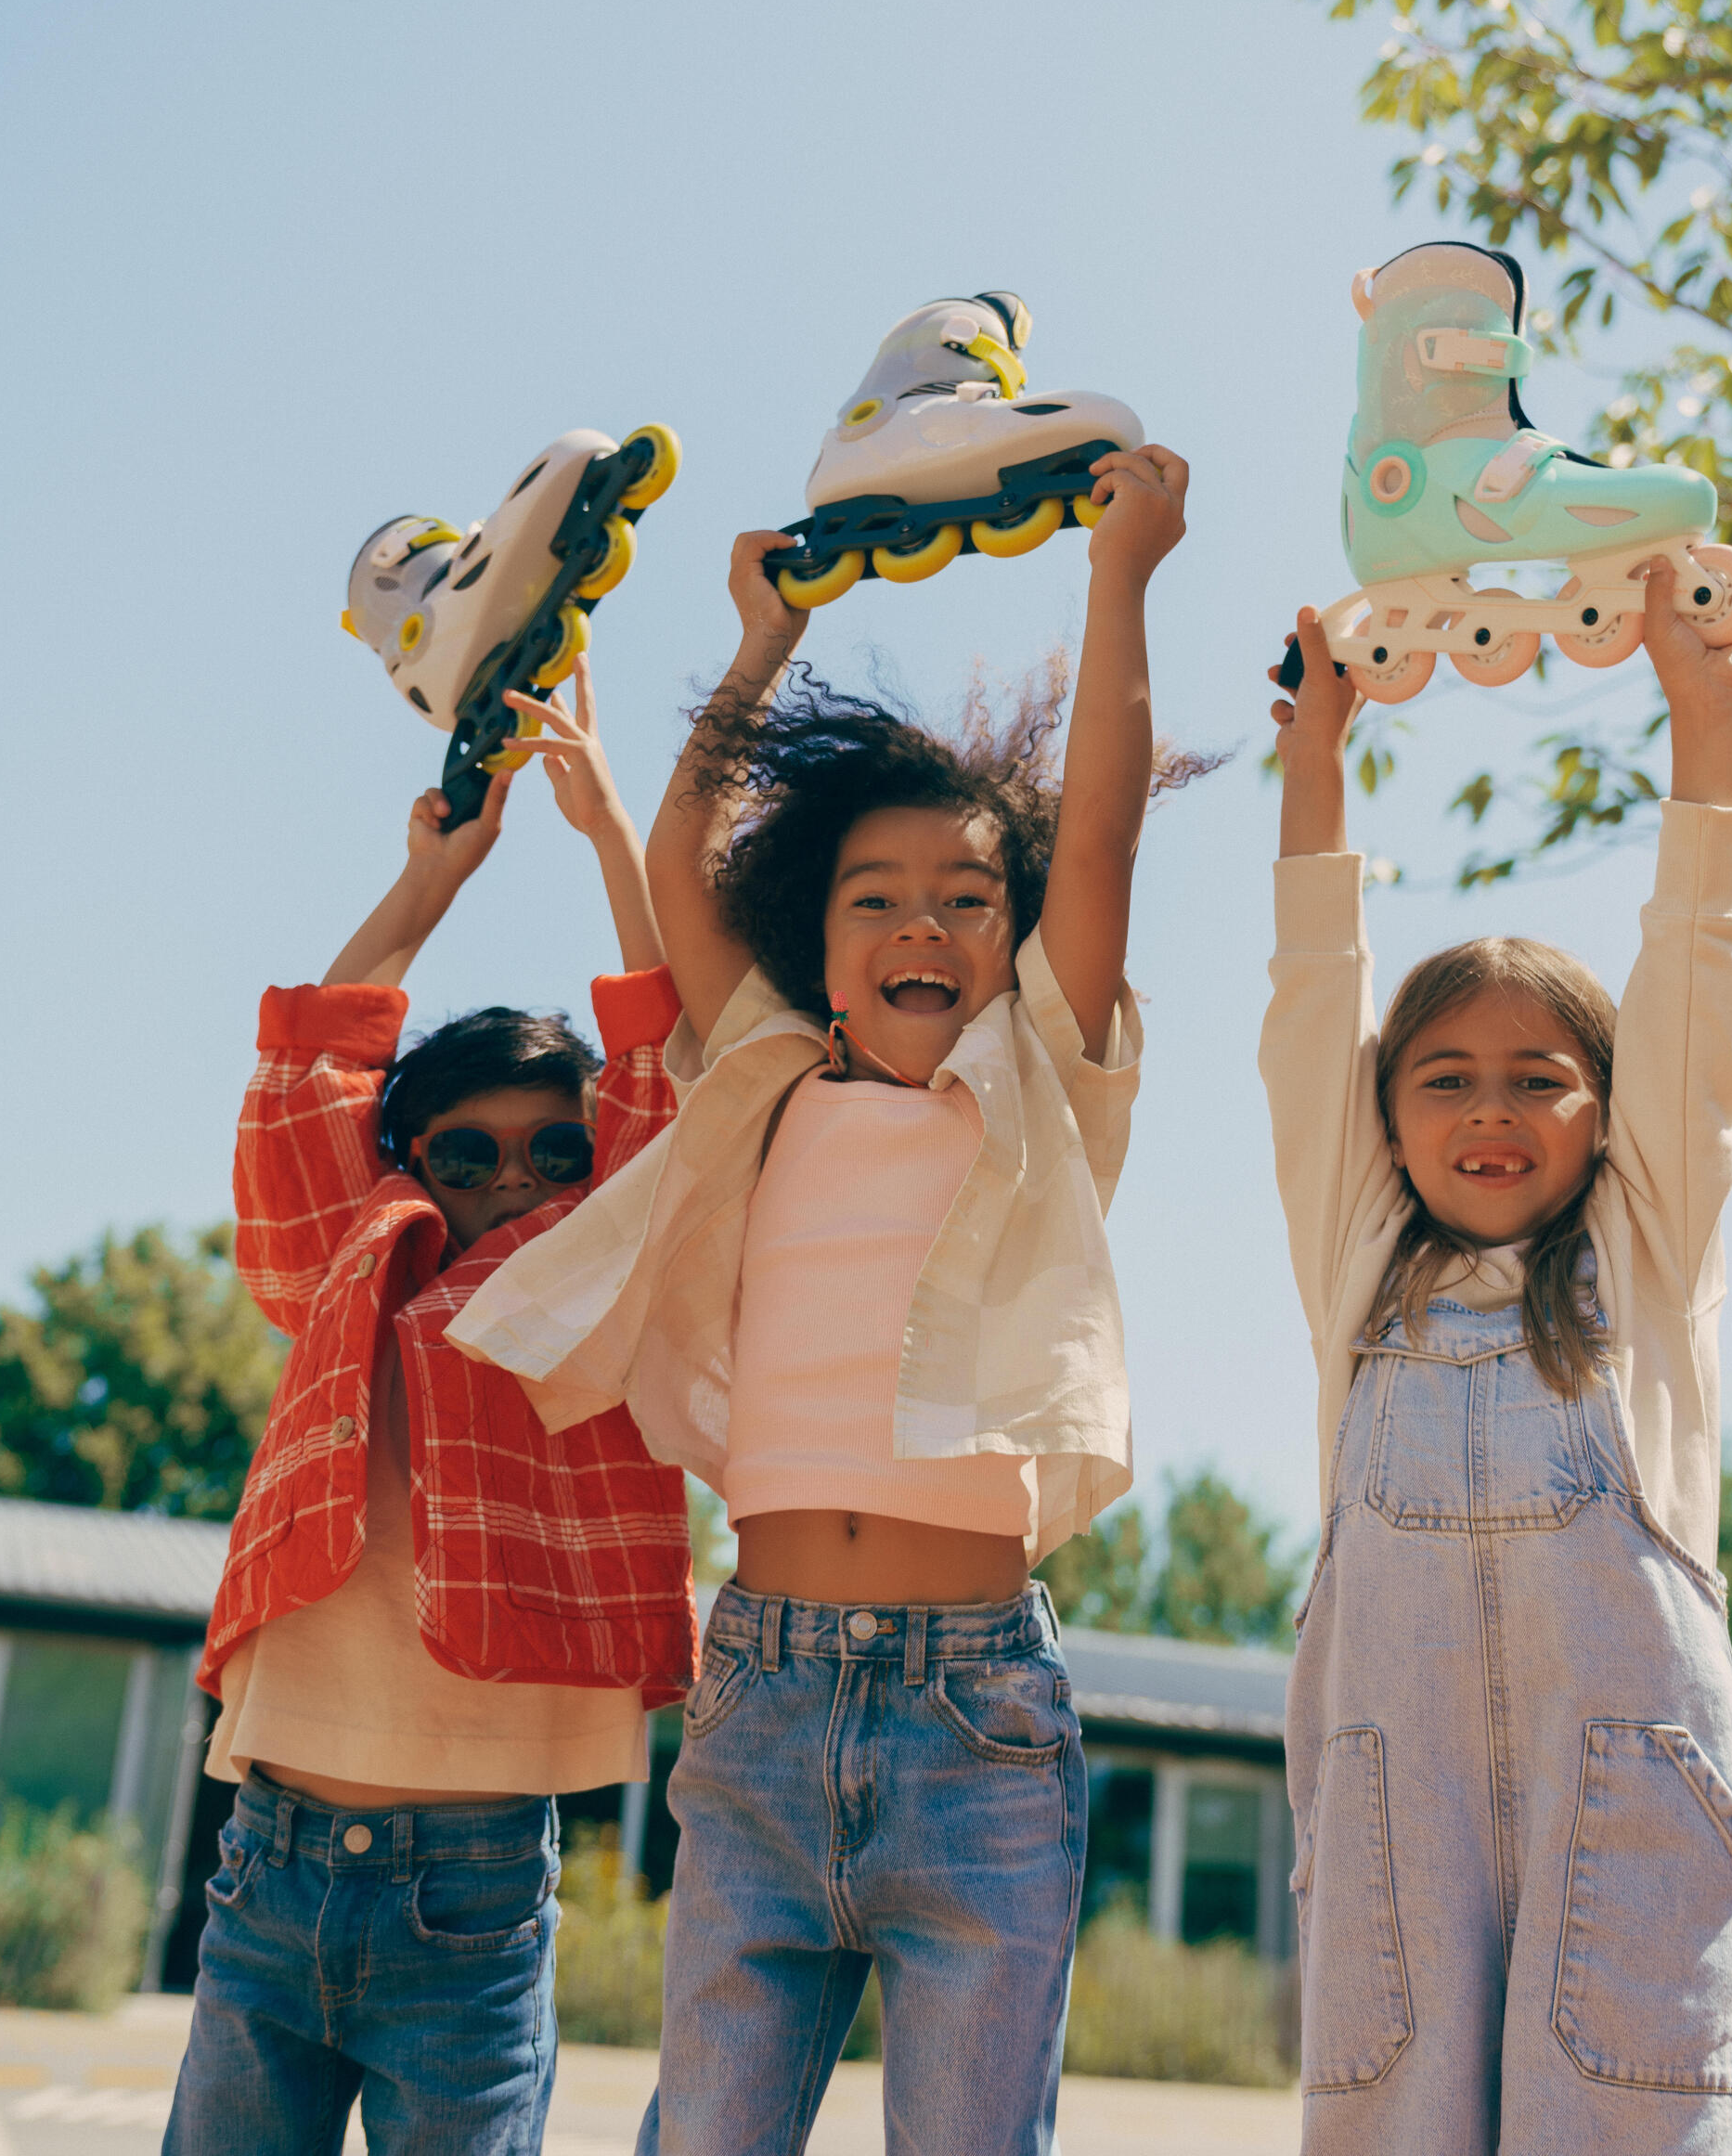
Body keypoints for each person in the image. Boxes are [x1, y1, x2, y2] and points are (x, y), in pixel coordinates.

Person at [449, 446, 1205, 2153]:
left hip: (977, 1724)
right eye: (874, 899)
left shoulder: (1041, 1086)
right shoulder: (771, 1078)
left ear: (1016, 942)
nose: (922, 922)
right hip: (763, 1699)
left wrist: (1122, 575)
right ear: (820, 935)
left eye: (966, 898)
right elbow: (688, 849)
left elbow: (1096, 829)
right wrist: (756, 645)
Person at [1262, 568, 1732, 2154]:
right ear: (1387, 1115)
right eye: (1447, 1078)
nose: (1489, 1110)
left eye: (1538, 1078)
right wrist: (1318, 762)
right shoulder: (1357, 1261)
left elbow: (1699, 971)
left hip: (1628, 1801)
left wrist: (1706, 707)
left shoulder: (1649, 1245)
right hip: (1394, 1816)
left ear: (1607, 1114)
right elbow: (1311, 1004)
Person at [166, 662, 696, 2156]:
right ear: (407, 1163)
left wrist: (608, 841)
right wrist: (430, 879)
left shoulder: (600, 1291)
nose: (515, 1184)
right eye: (466, 1155)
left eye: (555, 1154)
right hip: (264, 1865)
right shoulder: (355, 1267)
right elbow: (301, 1087)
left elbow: (674, 1097)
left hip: (469, 1896)